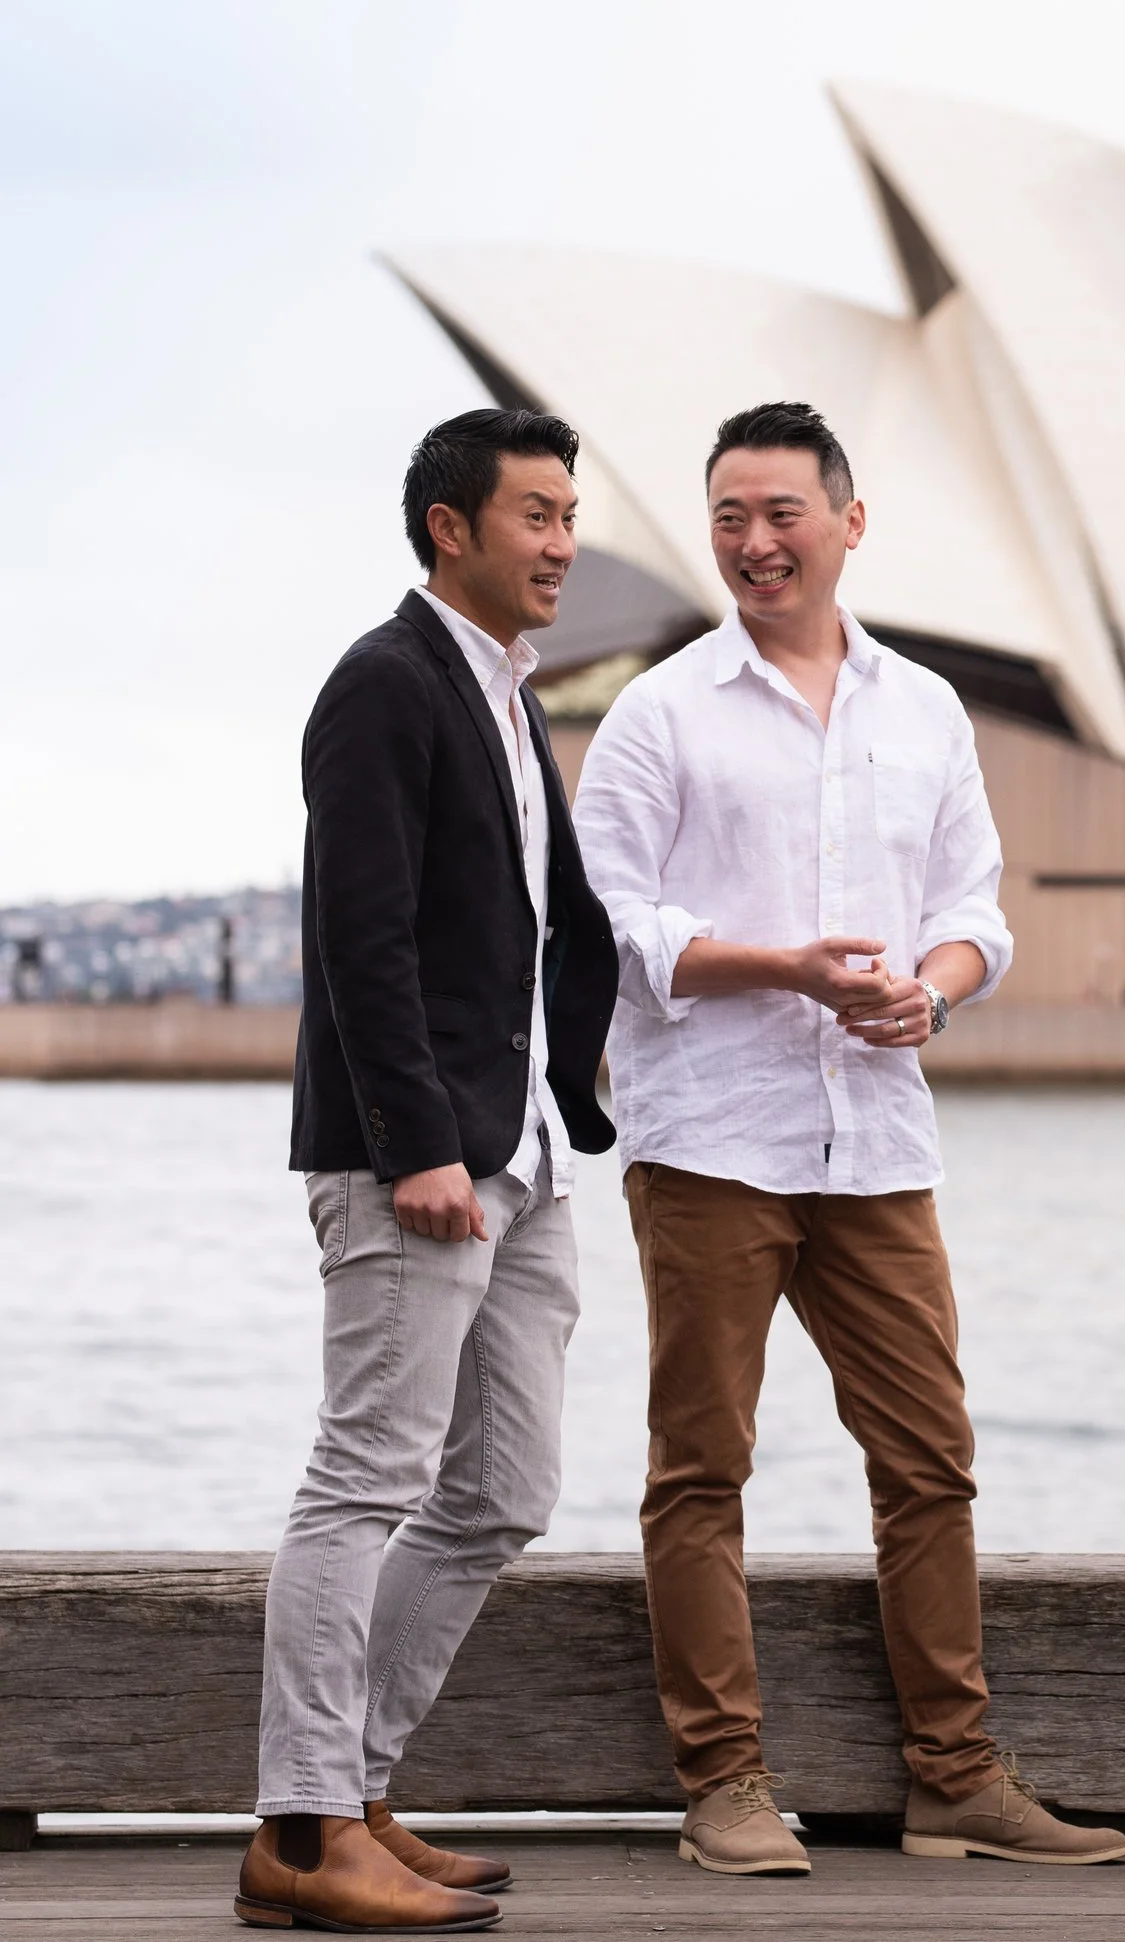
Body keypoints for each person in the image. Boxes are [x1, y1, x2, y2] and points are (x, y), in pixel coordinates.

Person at [570, 400, 1125, 1877]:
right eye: (731, 519)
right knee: (702, 1465)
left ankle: (954, 1776)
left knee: (931, 1458)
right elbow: (617, 930)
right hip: (711, 1138)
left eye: (782, 515)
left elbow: (974, 913)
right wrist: (791, 970)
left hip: (876, 1138)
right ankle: (724, 1784)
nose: (755, 543)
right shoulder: (661, 710)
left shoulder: (925, 708)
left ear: (849, 520)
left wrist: (926, 996)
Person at [240, 408, 620, 1934]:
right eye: (536, 513)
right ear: (450, 525)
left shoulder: (510, 696)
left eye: (571, 512)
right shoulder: (384, 684)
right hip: (419, 1157)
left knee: (504, 1486)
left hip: (519, 1146)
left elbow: (540, 926)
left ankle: (358, 1787)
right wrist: (416, 1146)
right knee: (364, 1479)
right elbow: (362, 937)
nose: (564, 541)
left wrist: (565, 1105)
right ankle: (299, 1826)